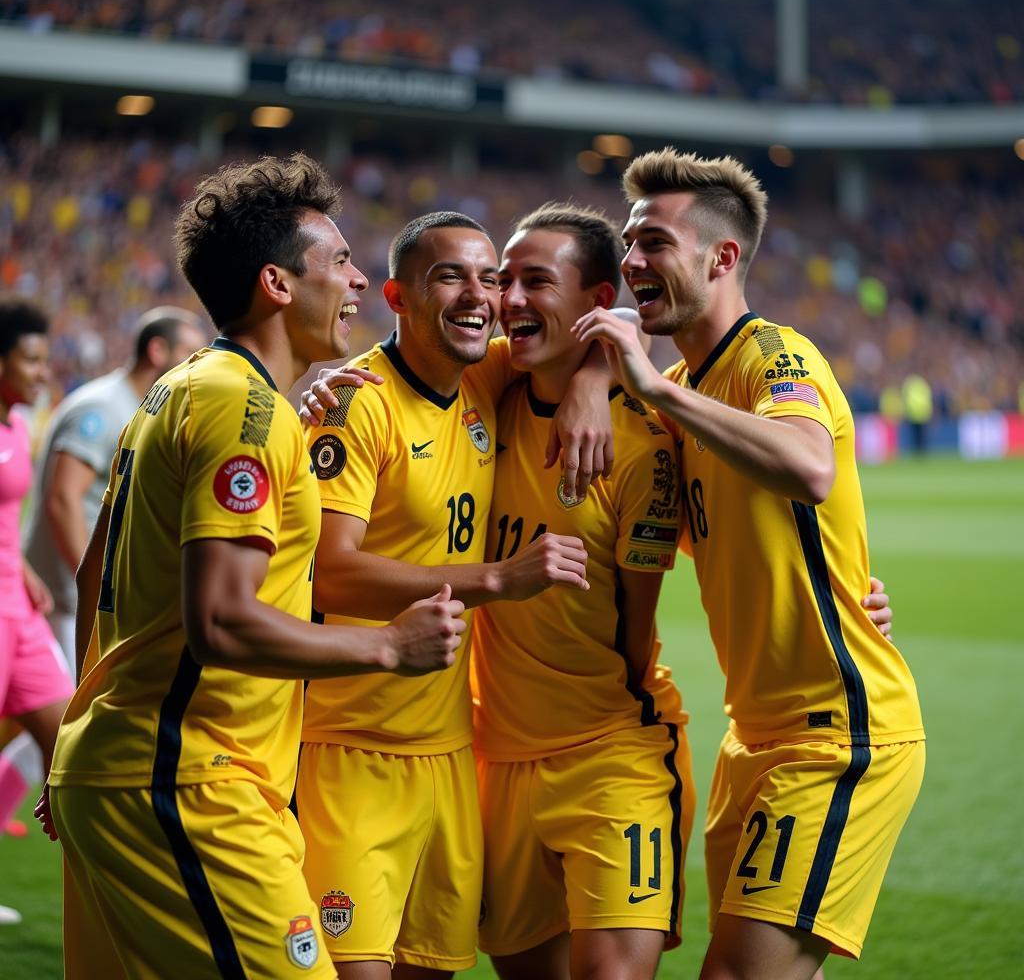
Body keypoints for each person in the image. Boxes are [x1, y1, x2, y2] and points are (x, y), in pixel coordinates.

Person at [43, 154, 467, 980]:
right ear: (278, 283)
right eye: (339, 262)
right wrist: (389, 646)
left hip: (124, 769)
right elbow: (223, 620)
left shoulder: (180, 388)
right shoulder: (245, 408)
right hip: (191, 784)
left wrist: (74, 743)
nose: (356, 283)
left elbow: (100, 576)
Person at [573, 149, 925, 980]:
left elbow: (809, 466)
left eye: (653, 241)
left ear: (720, 258)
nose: (631, 262)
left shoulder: (776, 356)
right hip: (753, 738)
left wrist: (656, 392)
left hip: (833, 737)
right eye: (629, 241)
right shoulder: (690, 390)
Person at [298, 210, 614, 979]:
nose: (485, 296)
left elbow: (602, 322)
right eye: (453, 276)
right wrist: (495, 581)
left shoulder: (485, 374)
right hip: (349, 752)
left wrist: (595, 383)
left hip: (449, 759)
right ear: (400, 297)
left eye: (493, 278)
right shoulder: (357, 403)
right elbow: (331, 570)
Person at [472, 204, 693, 980]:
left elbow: (638, 622)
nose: (510, 299)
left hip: (610, 751)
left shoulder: (641, 447)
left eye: (537, 280)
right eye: (506, 282)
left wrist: (598, 375)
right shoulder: (485, 387)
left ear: (594, 301)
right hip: (495, 758)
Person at [24, 306, 208, 671]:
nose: (196, 370)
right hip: (63, 602)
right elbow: (62, 499)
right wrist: (93, 587)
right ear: (157, 351)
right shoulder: (103, 407)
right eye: (189, 355)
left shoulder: (139, 407)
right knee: (64, 715)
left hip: (80, 598)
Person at [0, 300, 75, 925]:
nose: (41, 371)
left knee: (67, 739)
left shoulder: (20, 425)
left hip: (18, 609)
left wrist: (22, 570)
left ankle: (96, 897)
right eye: (30, 359)